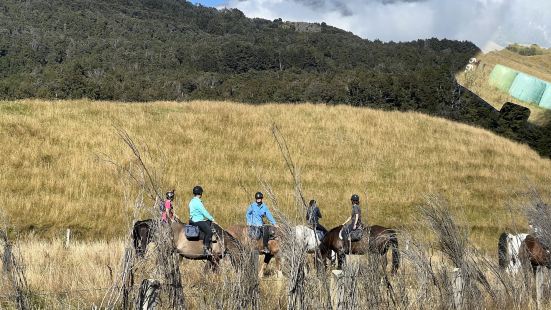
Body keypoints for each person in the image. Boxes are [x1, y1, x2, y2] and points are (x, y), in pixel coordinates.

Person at [188, 185, 216, 255]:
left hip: (193, 220)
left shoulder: (191, 201)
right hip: (198, 221)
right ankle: (206, 249)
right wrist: (212, 219)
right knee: (209, 232)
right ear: (200, 193)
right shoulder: (198, 202)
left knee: (208, 222)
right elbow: (204, 212)